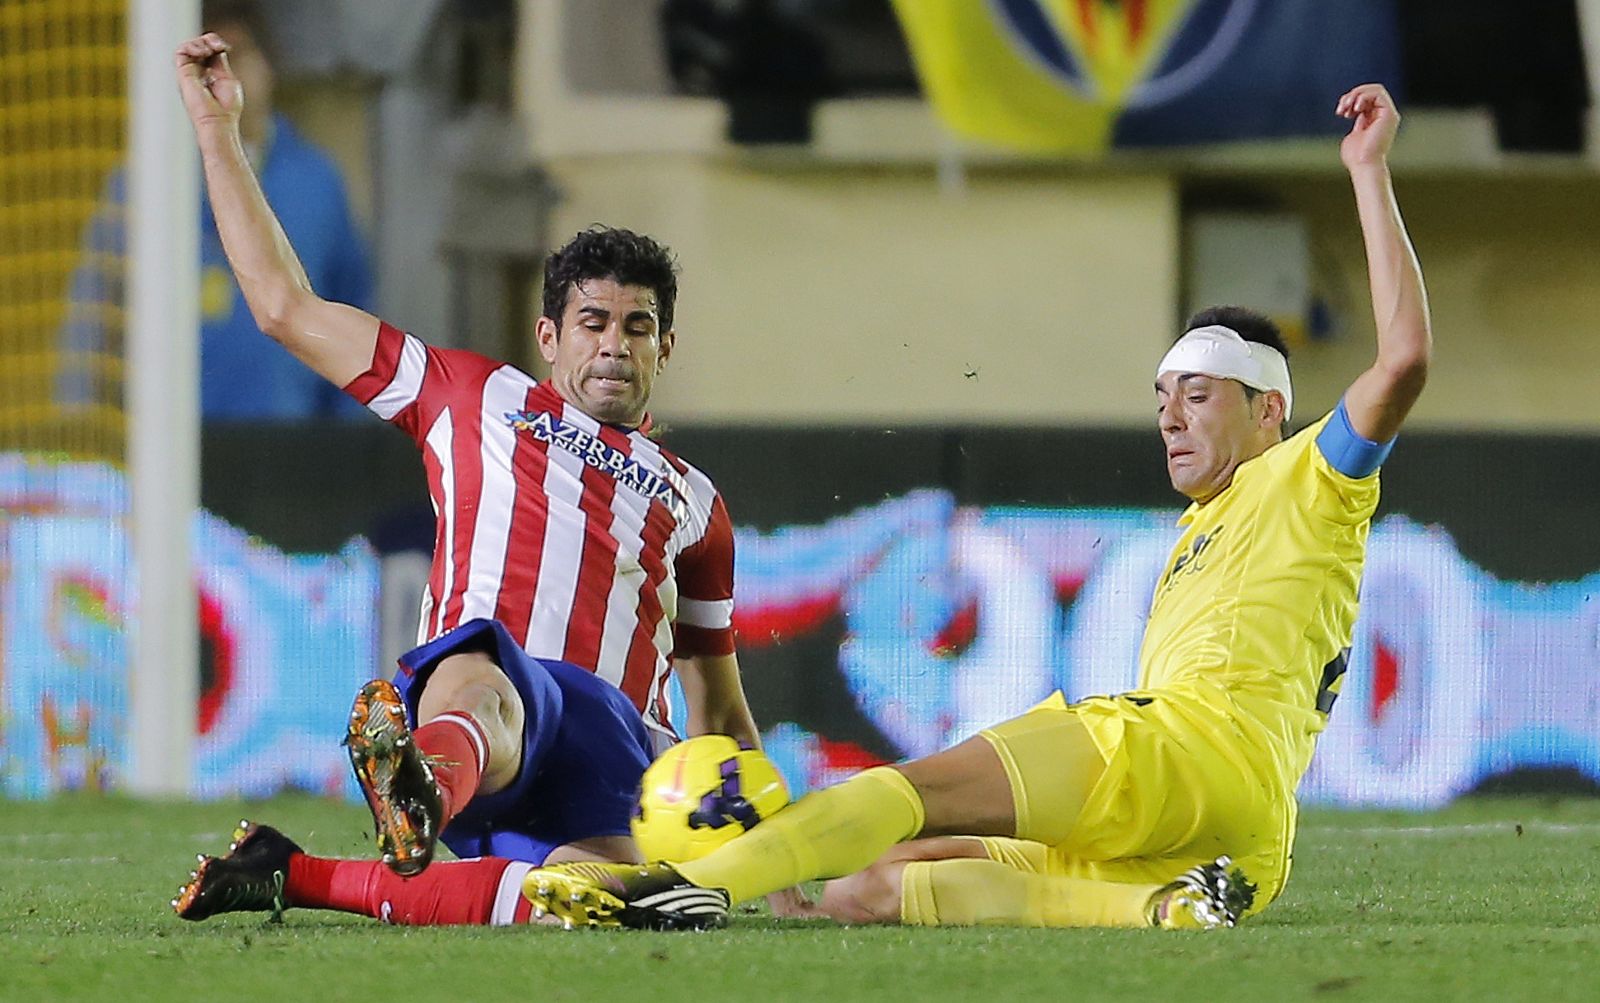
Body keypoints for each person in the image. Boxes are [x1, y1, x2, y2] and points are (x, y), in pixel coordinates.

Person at [518, 82, 1432, 931]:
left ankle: (678, 887)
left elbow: (1401, 362)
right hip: (1248, 838)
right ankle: (1161, 910)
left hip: (1177, 754)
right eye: (1162, 399)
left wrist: (1367, 171)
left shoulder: (1307, 476)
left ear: (1270, 407)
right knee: (867, 885)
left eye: (1199, 393)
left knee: (908, 790)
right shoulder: (1210, 529)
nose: (1171, 418)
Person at [167, 27, 779, 923]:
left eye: (637, 327)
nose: (614, 344)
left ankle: (292, 870)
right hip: (495, 705)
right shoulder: (471, 394)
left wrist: (782, 853)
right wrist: (217, 130)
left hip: (619, 746)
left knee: (626, 899)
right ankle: (417, 792)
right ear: (548, 338)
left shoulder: (694, 503)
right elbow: (284, 308)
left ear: (666, 347)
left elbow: (718, 702)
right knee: (484, 671)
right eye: (593, 321)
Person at [60, 0, 373, 421]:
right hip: (169, 443)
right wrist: (80, 419)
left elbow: (352, 305)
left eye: (236, 55)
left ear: (269, 67)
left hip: (290, 442)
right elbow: (91, 313)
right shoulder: (140, 185)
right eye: (202, 63)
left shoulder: (317, 182)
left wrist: (348, 436)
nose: (221, 75)